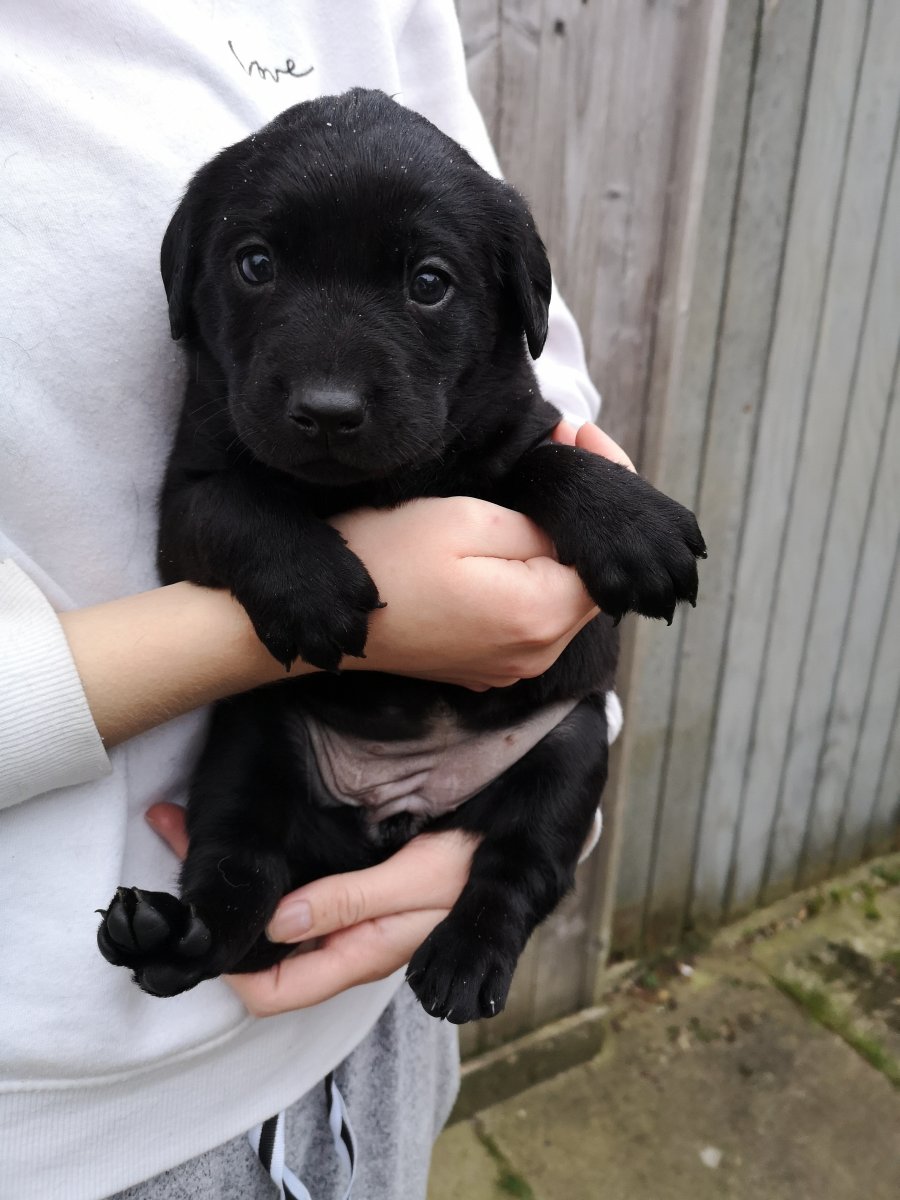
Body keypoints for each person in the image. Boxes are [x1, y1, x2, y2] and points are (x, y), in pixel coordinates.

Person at [0, 2, 629, 1196]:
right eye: (257, 268)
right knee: (252, 775)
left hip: (375, 1032)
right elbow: (208, 520)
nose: (331, 385)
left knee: (563, 751)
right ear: (189, 276)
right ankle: (212, 919)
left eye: (425, 281)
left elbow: (543, 392)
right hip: (70, 1117)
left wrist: (580, 532)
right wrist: (277, 623)